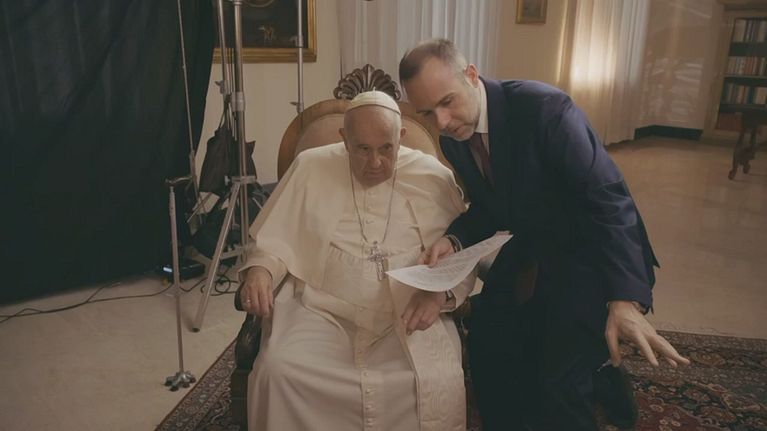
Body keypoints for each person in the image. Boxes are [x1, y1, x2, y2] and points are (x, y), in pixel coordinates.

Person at [399, 38, 690, 431]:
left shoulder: (546, 110)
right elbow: (491, 205)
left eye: (447, 102)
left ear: (471, 75)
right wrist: (454, 239)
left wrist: (623, 299)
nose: (442, 122)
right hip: (533, 246)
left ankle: (601, 378)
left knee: (559, 382)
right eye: (427, 113)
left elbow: (608, 201)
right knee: (487, 341)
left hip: (592, 251)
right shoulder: (454, 137)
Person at [237, 90, 473, 431]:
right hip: (320, 309)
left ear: (401, 137)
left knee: (434, 377)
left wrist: (441, 295)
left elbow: (460, 254)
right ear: (344, 139)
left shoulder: (432, 176)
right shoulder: (310, 167)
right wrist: (260, 270)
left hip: (404, 312)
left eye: (386, 148)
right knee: (278, 369)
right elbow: (275, 239)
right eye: (362, 149)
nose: (375, 163)